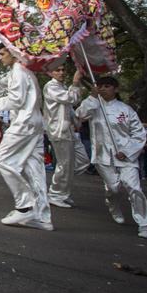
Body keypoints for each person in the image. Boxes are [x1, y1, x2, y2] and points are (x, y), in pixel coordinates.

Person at [0, 44, 52, 231]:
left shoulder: (19, 71)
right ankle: (42, 217)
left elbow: (16, 100)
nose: (0, 57)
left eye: (2, 53)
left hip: (24, 123)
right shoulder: (20, 71)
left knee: (2, 160)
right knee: (35, 171)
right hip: (34, 123)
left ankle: (25, 206)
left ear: (14, 53)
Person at [75, 76, 147, 238]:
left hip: (125, 156)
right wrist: (92, 97)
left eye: (107, 86)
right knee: (113, 187)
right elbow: (78, 116)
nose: (103, 89)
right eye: (100, 86)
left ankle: (144, 223)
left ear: (115, 89)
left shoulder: (126, 110)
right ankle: (113, 206)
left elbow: (138, 134)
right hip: (102, 156)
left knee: (133, 187)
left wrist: (126, 151)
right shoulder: (93, 106)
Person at [43, 65, 89, 208]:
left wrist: (77, 120)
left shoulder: (62, 87)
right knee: (64, 164)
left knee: (82, 162)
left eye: (63, 69)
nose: (62, 72)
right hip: (59, 131)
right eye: (58, 69)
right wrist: (75, 82)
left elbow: (69, 109)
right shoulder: (51, 86)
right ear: (50, 72)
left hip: (70, 131)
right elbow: (71, 99)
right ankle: (56, 194)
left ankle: (63, 190)